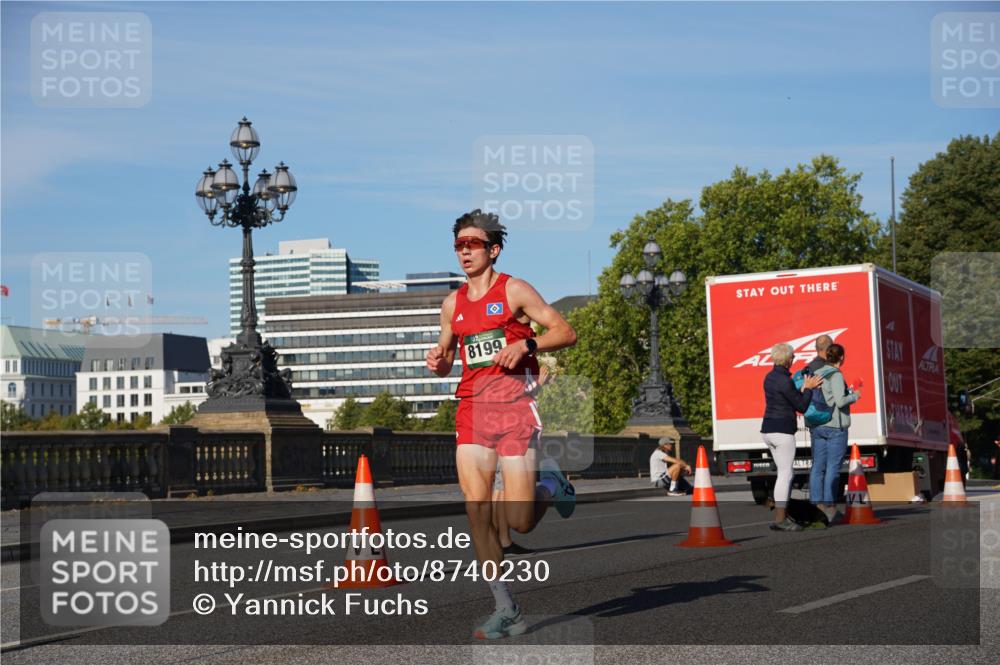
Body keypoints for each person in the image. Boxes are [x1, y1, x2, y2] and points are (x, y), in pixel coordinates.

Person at [426, 209, 577, 639]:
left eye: (472, 244)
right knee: (476, 510)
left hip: (513, 410)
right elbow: (447, 358)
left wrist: (527, 344)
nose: (464, 252)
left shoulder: (514, 290)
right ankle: (505, 607)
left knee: (520, 520)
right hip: (473, 409)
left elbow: (565, 332)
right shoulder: (452, 304)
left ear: (492, 250)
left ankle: (552, 485)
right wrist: (437, 361)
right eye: (459, 245)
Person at [761, 342, 824, 532]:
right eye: (793, 357)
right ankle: (780, 519)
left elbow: (788, 399)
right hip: (782, 430)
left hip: (768, 429)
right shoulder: (785, 380)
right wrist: (809, 388)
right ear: (788, 360)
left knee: (784, 473)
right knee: (786, 474)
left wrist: (803, 388)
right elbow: (801, 406)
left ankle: (783, 514)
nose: (794, 359)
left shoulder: (769, 377)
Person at [808, 343, 860, 524]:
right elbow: (840, 401)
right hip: (834, 426)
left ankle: (816, 505)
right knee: (832, 467)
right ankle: (829, 507)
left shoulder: (818, 372)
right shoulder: (836, 375)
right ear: (841, 357)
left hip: (818, 425)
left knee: (817, 466)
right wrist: (855, 395)